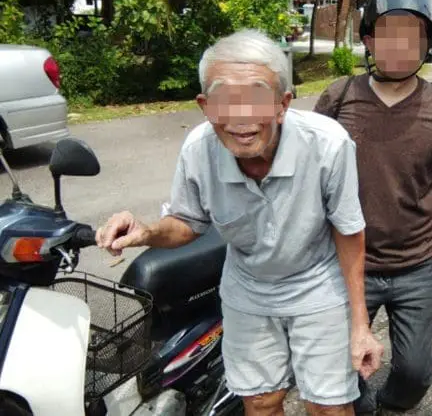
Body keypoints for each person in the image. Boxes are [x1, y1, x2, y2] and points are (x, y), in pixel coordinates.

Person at [95, 29, 384, 416]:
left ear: (282, 104)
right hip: (247, 290)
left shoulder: (328, 144)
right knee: (261, 403)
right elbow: (187, 222)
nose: (241, 120)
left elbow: (349, 232)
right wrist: (145, 231)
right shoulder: (199, 149)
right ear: (204, 105)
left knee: (328, 406)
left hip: (317, 287)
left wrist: (360, 325)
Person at [313, 0, 432, 414]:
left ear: (427, 44)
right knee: (342, 375)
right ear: (368, 41)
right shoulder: (338, 98)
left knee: (415, 373)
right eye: (388, 34)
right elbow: (309, 180)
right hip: (345, 264)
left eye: (412, 36)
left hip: (415, 265)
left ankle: (392, 399)